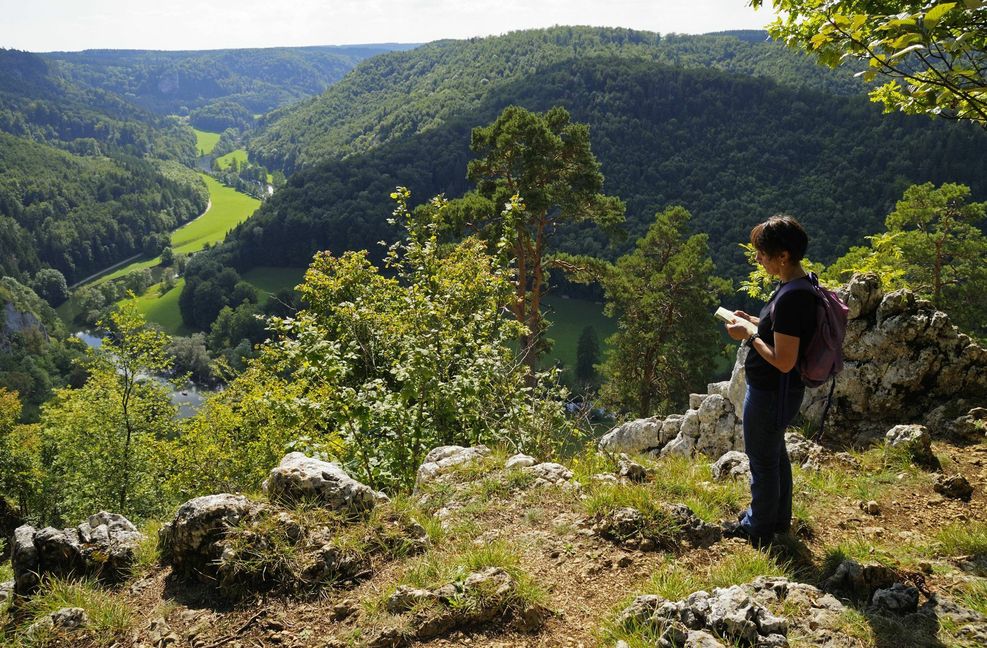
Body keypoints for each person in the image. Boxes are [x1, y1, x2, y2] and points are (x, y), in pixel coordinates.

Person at [724, 215, 817, 548]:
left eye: (763, 253)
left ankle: (758, 528)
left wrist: (748, 337)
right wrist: (752, 321)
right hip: (779, 393)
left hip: (771, 393)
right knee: (775, 454)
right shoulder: (795, 286)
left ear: (784, 255)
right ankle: (777, 519)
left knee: (762, 460)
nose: (758, 258)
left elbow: (784, 359)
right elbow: (779, 331)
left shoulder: (793, 297)